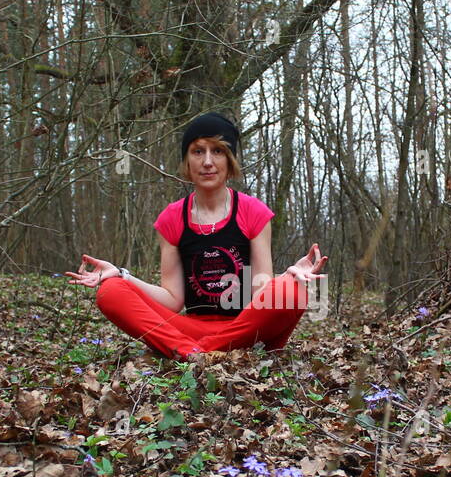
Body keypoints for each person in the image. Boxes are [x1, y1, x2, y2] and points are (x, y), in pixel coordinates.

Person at [65, 112, 327, 360]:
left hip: (245, 330)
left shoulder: (253, 211)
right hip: (189, 329)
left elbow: (260, 289)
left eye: (218, 151)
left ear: (230, 160)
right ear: (187, 161)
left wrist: (288, 277)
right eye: (198, 151)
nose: (208, 161)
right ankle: (192, 352)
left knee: (294, 292)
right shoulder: (172, 218)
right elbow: (172, 300)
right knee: (110, 291)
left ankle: (196, 354)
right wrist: (122, 275)